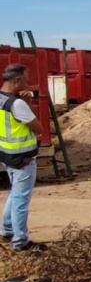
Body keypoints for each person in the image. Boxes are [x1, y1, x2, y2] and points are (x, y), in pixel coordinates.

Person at [0, 64, 45, 252]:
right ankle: (20, 242)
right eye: (25, 79)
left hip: (7, 155)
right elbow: (38, 128)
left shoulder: (2, 99)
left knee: (15, 193)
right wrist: (28, 104)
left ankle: (6, 230)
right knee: (21, 198)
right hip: (23, 157)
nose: (27, 83)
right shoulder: (17, 104)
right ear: (16, 80)